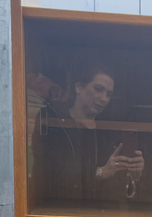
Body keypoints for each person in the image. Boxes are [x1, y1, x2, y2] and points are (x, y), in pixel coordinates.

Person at [32, 62, 145, 203]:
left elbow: (118, 188)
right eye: (98, 89)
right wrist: (100, 173)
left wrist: (133, 175)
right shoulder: (53, 122)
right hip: (62, 213)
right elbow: (49, 175)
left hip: (103, 214)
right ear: (79, 87)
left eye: (109, 94)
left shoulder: (109, 131)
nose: (104, 99)